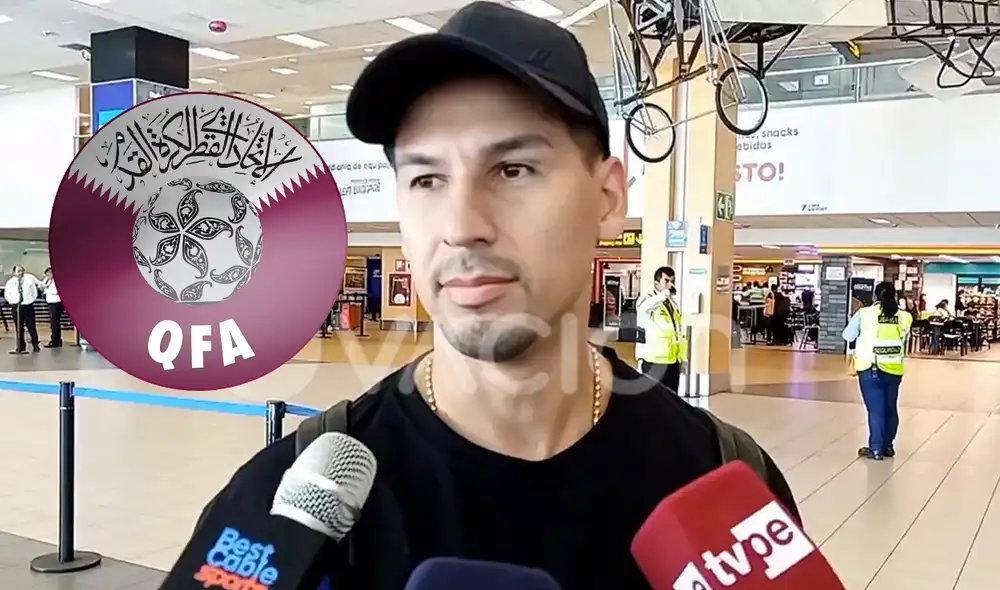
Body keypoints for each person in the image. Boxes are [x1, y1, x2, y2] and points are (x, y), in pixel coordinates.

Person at [193, 4, 799, 589]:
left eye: (512, 170)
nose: (462, 225)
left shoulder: (725, 484)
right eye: (427, 179)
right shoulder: (288, 509)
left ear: (608, 198)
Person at [842, 281, 912, 460]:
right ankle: (887, 445)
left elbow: (847, 335)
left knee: (876, 411)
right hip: (894, 369)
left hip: (870, 367)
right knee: (890, 408)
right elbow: (903, 336)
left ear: (875, 296)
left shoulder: (864, 314)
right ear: (894, 295)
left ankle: (875, 448)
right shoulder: (905, 317)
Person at [635, 266, 685, 393]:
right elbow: (643, 309)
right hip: (654, 361)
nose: (670, 284)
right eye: (666, 281)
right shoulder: (647, 299)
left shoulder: (672, 303)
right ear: (656, 282)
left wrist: (682, 359)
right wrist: (663, 295)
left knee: (672, 397)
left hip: (672, 360)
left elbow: (677, 330)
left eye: (672, 281)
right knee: (655, 397)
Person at [3, 265, 41, 354]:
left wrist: (29, 301)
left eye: (22, 271)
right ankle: (20, 346)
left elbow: (34, 293)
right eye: (18, 271)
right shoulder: (10, 282)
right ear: (14, 273)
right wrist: (14, 302)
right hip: (16, 306)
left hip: (27, 306)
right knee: (19, 327)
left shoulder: (29, 281)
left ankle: (35, 345)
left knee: (31, 326)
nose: (20, 273)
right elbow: (7, 295)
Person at [42, 267, 63, 348]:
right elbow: (43, 286)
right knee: (54, 322)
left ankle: (54, 341)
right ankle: (58, 340)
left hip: (56, 303)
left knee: (54, 322)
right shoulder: (47, 280)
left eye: (49, 274)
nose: (48, 276)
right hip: (50, 302)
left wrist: (47, 290)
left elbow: (56, 291)